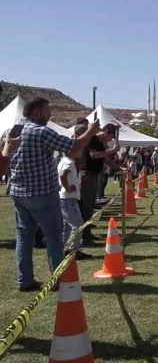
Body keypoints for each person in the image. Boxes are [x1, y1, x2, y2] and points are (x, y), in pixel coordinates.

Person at [9, 97, 100, 291]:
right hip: (42, 193)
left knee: (24, 237)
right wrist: (91, 132)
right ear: (36, 112)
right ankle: (57, 279)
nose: (50, 114)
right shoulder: (41, 132)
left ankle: (24, 280)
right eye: (47, 111)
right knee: (54, 237)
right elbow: (74, 149)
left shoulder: (13, 131)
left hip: (19, 193)